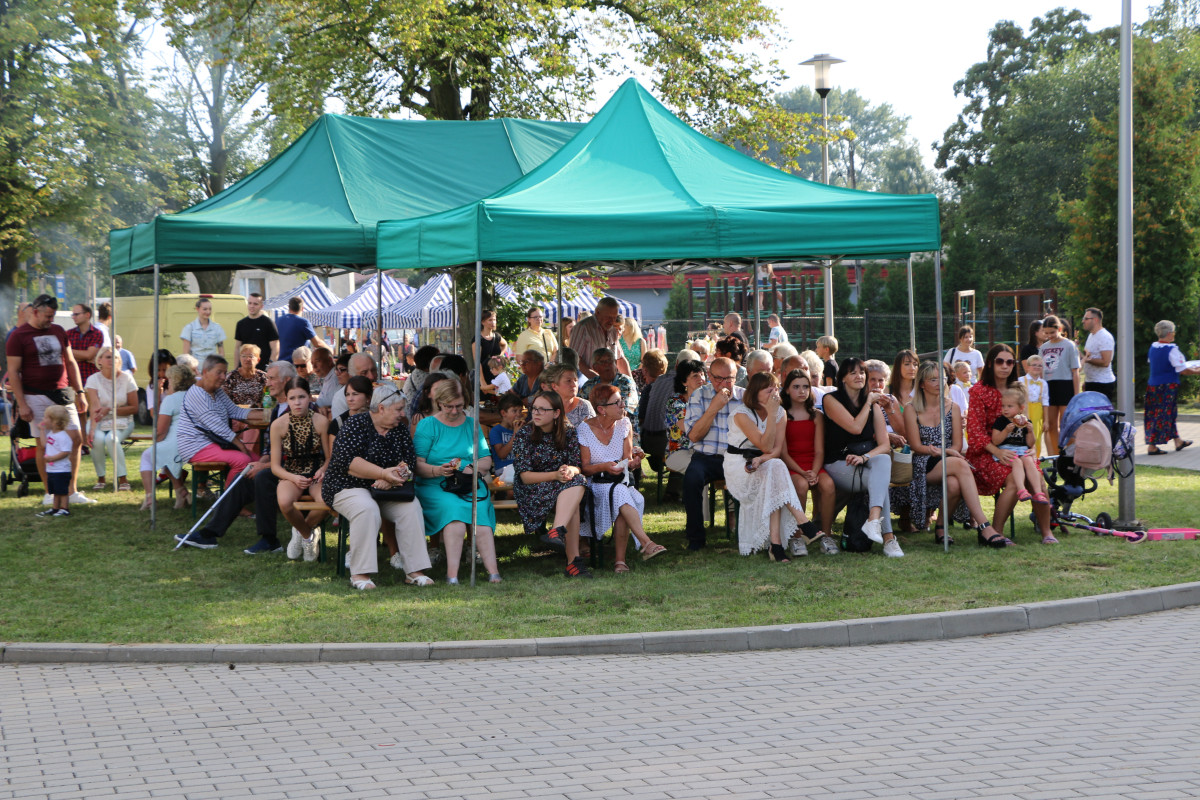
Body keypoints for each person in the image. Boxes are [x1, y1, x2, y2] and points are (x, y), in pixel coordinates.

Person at [322, 384, 430, 590]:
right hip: (348, 486)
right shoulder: (356, 424)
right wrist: (382, 473)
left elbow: (409, 464)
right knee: (366, 508)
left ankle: (414, 570)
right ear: (381, 408)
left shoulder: (399, 429)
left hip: (387, 488)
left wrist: (393, 477)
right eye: (398, 409)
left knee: (411, 507)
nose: (402, 414)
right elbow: (348, 463)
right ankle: (360, 574)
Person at [172, 356, 269, 549]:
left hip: (214, 443)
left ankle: (259, 507)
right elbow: (216, 426)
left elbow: (237, 412)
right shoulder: (197, 393)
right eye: (220, 373)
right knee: (243, 460)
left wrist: (271, 415)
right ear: (204, 372)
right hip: (195, 446)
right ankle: (229, 505)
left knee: (259, 462)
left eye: (225, 372)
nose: (224, 377)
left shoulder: (217, 391)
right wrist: (241, 446)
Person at [904, 361, 1005, 546]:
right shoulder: (911, 408)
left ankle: (941, 528)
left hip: (950, 459)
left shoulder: (953, 408)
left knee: (953, 484)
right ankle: (984, 526)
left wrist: (948, 452)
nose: (938, 383)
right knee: (960, 464)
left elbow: (958, 445)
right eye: (932, 379)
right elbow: (916, 446)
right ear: (921, 384)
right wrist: (943, 451)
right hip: (924, 461)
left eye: (941, 378)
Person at [724, 371, 821, 562]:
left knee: (775, 468)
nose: (775, 394)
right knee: (775, 472)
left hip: (764, 462)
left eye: (776, 389)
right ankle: (802, 524)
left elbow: (776, 450)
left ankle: (776, 545)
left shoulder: (781, 413)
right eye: (769, 391)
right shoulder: (741, 414)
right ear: (755, 393)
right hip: (739, 465)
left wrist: (762, 460)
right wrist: (770, 413)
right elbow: (765, 445)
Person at [413, 380, 502, 584]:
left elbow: (486, 460)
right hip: (435, 484)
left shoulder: (472, 424)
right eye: (449, 406)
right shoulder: (427, 425)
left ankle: (493, 572)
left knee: (480, 516)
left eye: (459, 406)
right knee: (455, 517)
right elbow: (417, 465)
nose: (454, 411)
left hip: (467, 482)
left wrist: (472, 467)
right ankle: (452, 575)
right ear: (439, 403)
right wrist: (438, 470)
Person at [6, 295, 91, 506]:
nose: (50, 320)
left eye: (53, 316)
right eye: (47, 316)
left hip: (62, 393)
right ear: (35, 312)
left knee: (76, 439)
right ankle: (49, 493)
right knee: (43, 444)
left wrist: (79, 392)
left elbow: (71, 362)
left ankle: (71, 491)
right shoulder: (18, 336)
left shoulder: (58, 331)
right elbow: (14, 372)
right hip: (34, 395)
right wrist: (22, 403)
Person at [966, 344, 1055, 546]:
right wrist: (997, 450)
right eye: (999, 361)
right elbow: (975, 433)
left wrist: (1031, 447)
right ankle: (995, 533)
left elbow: (1027, 423)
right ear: (990, 363)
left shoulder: (1018, 389)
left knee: (1038, 481)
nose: (1005, 366)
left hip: (1018, 450)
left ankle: (1047, 532)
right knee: (1015, 481)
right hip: (986, 453)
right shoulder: (978, 391)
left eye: (1009, 362)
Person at [578, 383, 667, 573]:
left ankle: (622, 561)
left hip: (620, 482)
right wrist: (605, 466)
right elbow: (585, 469)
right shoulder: (584, 429)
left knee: (620, 495)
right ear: (601, 409)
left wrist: (633, 462)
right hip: (597, 484)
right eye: (617, 402)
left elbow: (627, 458)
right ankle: (645, 543)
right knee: (620, 494)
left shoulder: (624, 424)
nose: (623, 405)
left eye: (622, 401)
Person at [821, 358, 903, 557]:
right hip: (838, 463)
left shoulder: (873, 404)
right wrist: (868, 402)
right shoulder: (831, 400)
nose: (859, 376)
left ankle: (874, 522)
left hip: (864, 462)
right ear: (842, 379)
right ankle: (888, 539)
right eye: (853, 373)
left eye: (862, 372)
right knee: (880, 483)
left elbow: (884, 445)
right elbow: (855, 427)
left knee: (883, 461)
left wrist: (866, 457)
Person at [509, 389, 589, 569]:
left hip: (562, 484)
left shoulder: (568, 432)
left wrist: (570, 469)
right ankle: (573, 562)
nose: (535, 413)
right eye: (534, 408)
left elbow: (578, 466)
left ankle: (558, 532)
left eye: (542, 409)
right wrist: (555, 475)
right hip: (532, 489)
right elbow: (525, 477)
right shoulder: (524, 434)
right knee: (574, 497)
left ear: (556, 413)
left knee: (577, 480)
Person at [681, 356, 743, 550]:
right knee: (692, 479)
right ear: (709, 376)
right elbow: (694, 436)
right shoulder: (699, 395)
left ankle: (748, 532)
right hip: (706, 457)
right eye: (718, 379)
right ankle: (696, 538)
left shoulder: (744, 397)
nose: (724, 384)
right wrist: (714, 408)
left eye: (729, 379)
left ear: (736, 376)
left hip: (737, 456)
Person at [270, 378, 331, 562]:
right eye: (292, 398)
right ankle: (308, 536)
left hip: (316, 471)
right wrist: (293, 478)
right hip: (291, 472)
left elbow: (329, 457)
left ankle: (300, 531)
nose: (297, 402)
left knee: (326, 500)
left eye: (302, 397)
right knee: (285, 502)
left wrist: (323, 470)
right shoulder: (278, 425)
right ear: (286, 400)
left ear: (310, 398)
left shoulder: (321, 421)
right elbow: (274, 466)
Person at [780, 369, 838, 555]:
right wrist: (803, 472)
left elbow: (820, 450)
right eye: (796, 387)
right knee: (801, 486)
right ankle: (797, 537)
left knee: (828, 485)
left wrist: (813, 471)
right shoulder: (782, 415)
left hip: (813, 464)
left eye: (806, 387)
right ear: (787, 390)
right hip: (792, 465)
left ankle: (826, 534)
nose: (802, 391)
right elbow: (783, 453)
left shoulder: (816, 415)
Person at [138, 363, 193, 511]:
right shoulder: (195, 395)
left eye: (168, 379)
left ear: (174, 380)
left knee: (148, 456)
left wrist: (155, 441)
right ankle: (181, 492)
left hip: (178, 444)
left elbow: (161, 431)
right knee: (164, 456)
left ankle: (150, 497)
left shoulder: (171, 399)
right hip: (196, 444)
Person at [84, 347, 138, 492]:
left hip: (123, 419)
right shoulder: (93, 379)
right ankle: (101, 478)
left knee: (112, 439)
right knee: (97, 438)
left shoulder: (127, 377)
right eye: (108, 357)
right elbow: (94, 407)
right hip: (99, 420)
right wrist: (92, 429)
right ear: (99, 360)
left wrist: (111, 410)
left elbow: (134, 407)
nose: (112, 360)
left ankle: (123, 479)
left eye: (115, 357)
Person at [1146, 319, 1200, 455]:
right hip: (1167, 387)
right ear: (1169, 333)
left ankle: (1178, 441)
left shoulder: (1153, 347)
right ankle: (1152, 446)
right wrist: (1197, 370)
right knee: (1164, 414)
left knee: (1158, 414)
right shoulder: (1171, 349)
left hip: (1153, 385)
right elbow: (1182, 370)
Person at [991, 386, 1050, 506]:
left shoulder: (1025, 421)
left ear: (1021, 408)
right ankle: (1021, 490)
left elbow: (1030, 443)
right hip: (1005, 451)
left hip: (1022, 450)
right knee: (1017, 462)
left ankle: (1038, 493)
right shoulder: (1001, 421)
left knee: (1029, 461)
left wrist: (1030, 431)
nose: (1005, 409)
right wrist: (1005, 431)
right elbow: (995, 441)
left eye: (1009, 406)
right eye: (1003, 406)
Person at [1038, 315, 1080, 457]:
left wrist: (1076, 395)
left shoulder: (1069, 345)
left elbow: (1075, 372)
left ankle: (1070, 454)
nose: (1049, 336)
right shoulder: (1043, 348)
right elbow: (1040, 371)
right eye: (1046, 333)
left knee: (1066, 423)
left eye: (1052, 332)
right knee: (1050, 423)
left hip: (1065, 384)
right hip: (1048, 386)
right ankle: (1054, 456)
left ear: (1060, 329)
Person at [579, 347, 638, 438]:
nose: (607, 365)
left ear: (615, 363)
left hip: (624, 434)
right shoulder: (589, 385)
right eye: (602, 362)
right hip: (594, 434)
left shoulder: (625, 382)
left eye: (610, 361)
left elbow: (623, 412)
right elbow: (580, 410)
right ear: (595, 367)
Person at [571, 297, 628, 379]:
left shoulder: (612, 330)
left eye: (614, 317)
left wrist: (631, 383)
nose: (611, 321)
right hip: (587, 382)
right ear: (597, 312)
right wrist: (596, 379)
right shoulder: (583, 328)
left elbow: (620, 359)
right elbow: (575, 359)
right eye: (608, 317)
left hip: (608, 381)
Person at [37, 405, 74, 518]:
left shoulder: (63, 437)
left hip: (61, 469)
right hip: (52, 469)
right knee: (55, 490)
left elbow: (65, 452)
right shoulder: (51, 434)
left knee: (62, 490)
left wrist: (52, 458)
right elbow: (44, 444)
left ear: (55, 422)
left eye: (46, 418)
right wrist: (42, 431)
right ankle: (55, 508)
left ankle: (64, 508)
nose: (43, 420)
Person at [234, 293, 279, 370]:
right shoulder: (241, 324)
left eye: (255, 304)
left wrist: (270, 367)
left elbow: (275, 348)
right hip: (245, 370)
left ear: (261, 306)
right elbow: (237, 348)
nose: (252, 306)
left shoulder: (268, 323)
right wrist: (236, 369)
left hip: (262, 369)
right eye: (250, 303)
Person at [276, 296, 327, 363]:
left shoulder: (278, 321)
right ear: (302, 308)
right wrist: (329, 349)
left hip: (280, 363)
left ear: (289, 307)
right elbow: (317, 343)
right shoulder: (303, 322)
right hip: (298, 364)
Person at [1018, 354, 1050, 458]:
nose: (1037, 367)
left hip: (1037, 411)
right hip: (1023, 410)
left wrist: (1046, 420)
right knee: (1022, 433)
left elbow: (1045, 402)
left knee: (1036, 435)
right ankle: (1022, 456)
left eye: (1039, 365)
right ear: (1027, 367)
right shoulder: (1021, 380)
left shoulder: (1043, 383)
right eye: (1034, 365)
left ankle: (1035, 458)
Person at [544, 363, 594, 428]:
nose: (574, 384)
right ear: (554, 386)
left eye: (575, 380)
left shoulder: (584, 406)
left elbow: (590, 432)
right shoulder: (545, 406)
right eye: (568, 381)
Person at [1081, 307, 1116, 400]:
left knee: (1100, 413)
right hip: (1091, 382)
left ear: (1095, 320)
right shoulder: (1091, 335)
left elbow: (1105, 362)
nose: (1083, 321)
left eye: (1086, 319)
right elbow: (1090, 355)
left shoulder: (1104, 336)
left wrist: (1087, 360)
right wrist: (1086, 381)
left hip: (1102, 384)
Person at [67, 303, 105, 386]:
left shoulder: (97, 334)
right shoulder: (68, 334)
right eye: (73, 314)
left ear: (87, 315)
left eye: (76, 314)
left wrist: (69, 353)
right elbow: (63, 356)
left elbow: (89, 355)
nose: (73, 317)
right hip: (72, 382)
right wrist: (85, 357)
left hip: (91, 382)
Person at [331, 353, 377, 420]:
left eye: (373, 370)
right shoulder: (340, 398)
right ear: (352, 375)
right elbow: (340, 426)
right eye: (364, 373)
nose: (371, 376)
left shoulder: (387, 389)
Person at [489, 393, 523, 477]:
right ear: (504, 413)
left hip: (519, 468)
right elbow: (502, 455)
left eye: (520, 411)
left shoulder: (521, 430)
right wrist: (515, 435)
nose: (518, 414)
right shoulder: (496, 431)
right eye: (514, 411)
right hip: (503, 470)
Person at [472, 308, 507, 386]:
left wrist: (500, 356)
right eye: (490, 320)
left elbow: (505, 344)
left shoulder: (497, 336)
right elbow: (477, 363)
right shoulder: (478, 339)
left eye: (494, 320)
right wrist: (482, 382)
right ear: (483, 322)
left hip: (497, 374)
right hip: (484, 374)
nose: (493, 322)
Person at [618, 317, 644, 388]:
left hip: (638, 376)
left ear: (630, 327)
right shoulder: (619, 341)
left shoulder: (641, 341)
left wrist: (635, 373)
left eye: (624, 326)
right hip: (622, 375)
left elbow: (644, 361)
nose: (622, 329)